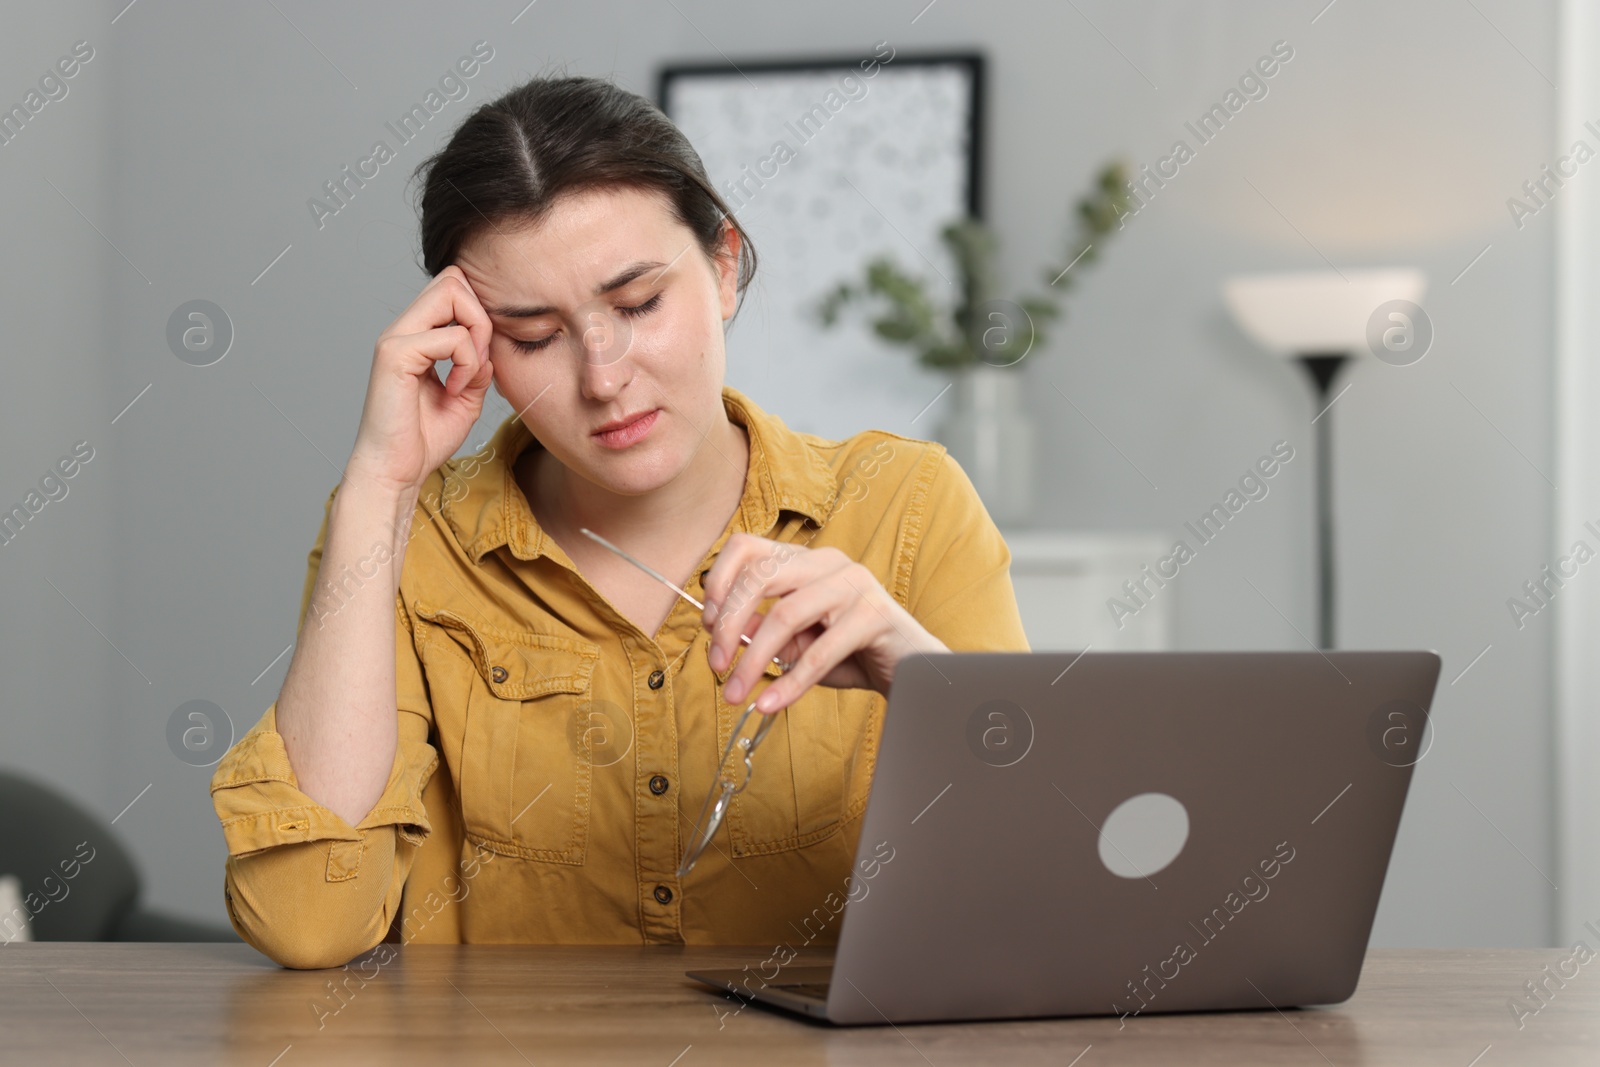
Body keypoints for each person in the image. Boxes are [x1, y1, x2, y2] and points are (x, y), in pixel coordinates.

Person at [208, 74, 1030, 970]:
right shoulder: (409, 538)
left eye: (638, 305)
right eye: (532, 335)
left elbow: (1036, 898)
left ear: (723, 265)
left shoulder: (907, 507)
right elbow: (309, 921)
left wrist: (920, 680)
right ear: (472, 344)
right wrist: (378, 483)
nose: (603, 377)